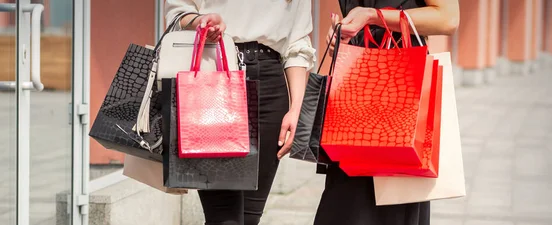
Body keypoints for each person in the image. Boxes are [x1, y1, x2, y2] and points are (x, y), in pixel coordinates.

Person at [165, 1, 315, 225]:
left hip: (270, 84)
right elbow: (178, 12)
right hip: (212, 71)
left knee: (250, 218)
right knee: (224, 218)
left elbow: (297, 41)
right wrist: (200, 21)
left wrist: (297, 109)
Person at [313, 0, 459, 225]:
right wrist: (343, 35)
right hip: (356, 86)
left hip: (401, 91)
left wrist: (373, 16)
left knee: (393, 201)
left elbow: (448, 18)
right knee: (343, 205)